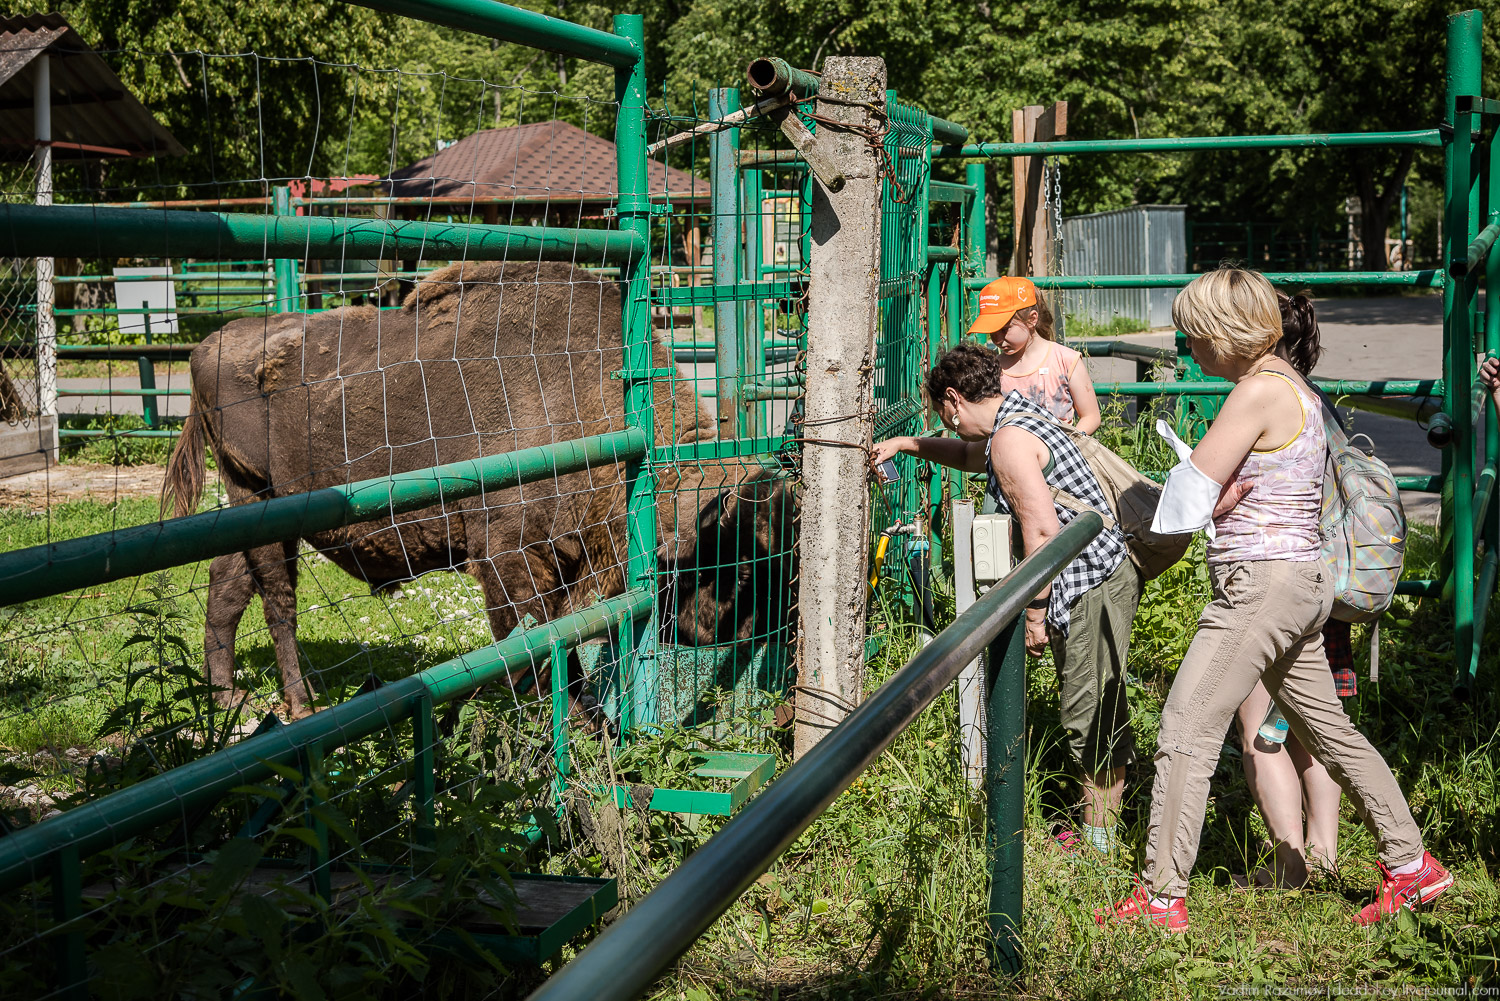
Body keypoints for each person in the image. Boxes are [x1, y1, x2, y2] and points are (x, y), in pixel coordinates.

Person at [1098, 268, 1451, 932]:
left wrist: (1201, 497)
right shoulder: (1294, 387)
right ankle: (1412, 865)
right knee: (1332, 734)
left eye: (1194, 335)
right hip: (1302, 579)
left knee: (1184, 728)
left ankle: (1160, 896)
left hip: (1260, 585)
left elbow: (1189, 497)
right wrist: (1217, 496)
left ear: (1226, 333)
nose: (1188, 348)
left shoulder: (1255, 391)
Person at [870, 340, 1136, 856]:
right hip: (1094, 576)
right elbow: (972, 455)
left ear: (953, 399)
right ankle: (1097, 828)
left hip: (1089, 583)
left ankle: (1098, 849)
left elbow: (1041, 532)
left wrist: (1035, 613)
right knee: (1090, 697)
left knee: (1091, 711)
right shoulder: (1013, 418)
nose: (948, 427)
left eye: (943, 418)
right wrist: (908, 444)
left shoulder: (1010, 441)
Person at [1232, 292, 1349, 889]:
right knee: (1314, 728)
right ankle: (1326, 853)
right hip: (1328, 585)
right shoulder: (1319, 403)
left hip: (1272, 582)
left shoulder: (1264, 400)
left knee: (1262, 733)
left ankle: (1290, 861)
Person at [969, 276, 1102, 434]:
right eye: (992, 331)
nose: (997, 339)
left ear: (1032, 319)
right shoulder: (993, 369)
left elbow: (1091, 416)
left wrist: (1064, 446)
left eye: (1004, 329)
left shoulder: (1065, 360)